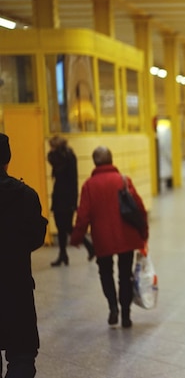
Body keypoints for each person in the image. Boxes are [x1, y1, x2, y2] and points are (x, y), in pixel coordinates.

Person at [70, 146, 148, 328]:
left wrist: (77, 237)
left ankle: (113, 308)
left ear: (95, 162)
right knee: (125, 275)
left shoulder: (89, 185)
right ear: (111, 160)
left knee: (105, 273)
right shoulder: (123, 180)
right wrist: (144, 232)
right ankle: (126, 315)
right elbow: (139, 207)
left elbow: (83, 215)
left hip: (102, 238)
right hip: (126, 236)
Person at [0, 133, 48, 377]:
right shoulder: (26, 196)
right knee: (22, 355)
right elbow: (36, 238)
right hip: (15, 286)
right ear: (7, 160)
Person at [47, 135, 94, 266]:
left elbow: (73, 180)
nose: (50, 150)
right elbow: (51, 159)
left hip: (66, 197)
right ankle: (63, 255)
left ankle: (89, 247)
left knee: (66, 226)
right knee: (60, 226)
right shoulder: (60, 157)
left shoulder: (68, 158)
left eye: (52, 146)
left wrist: (73, 202)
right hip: (59, 196)